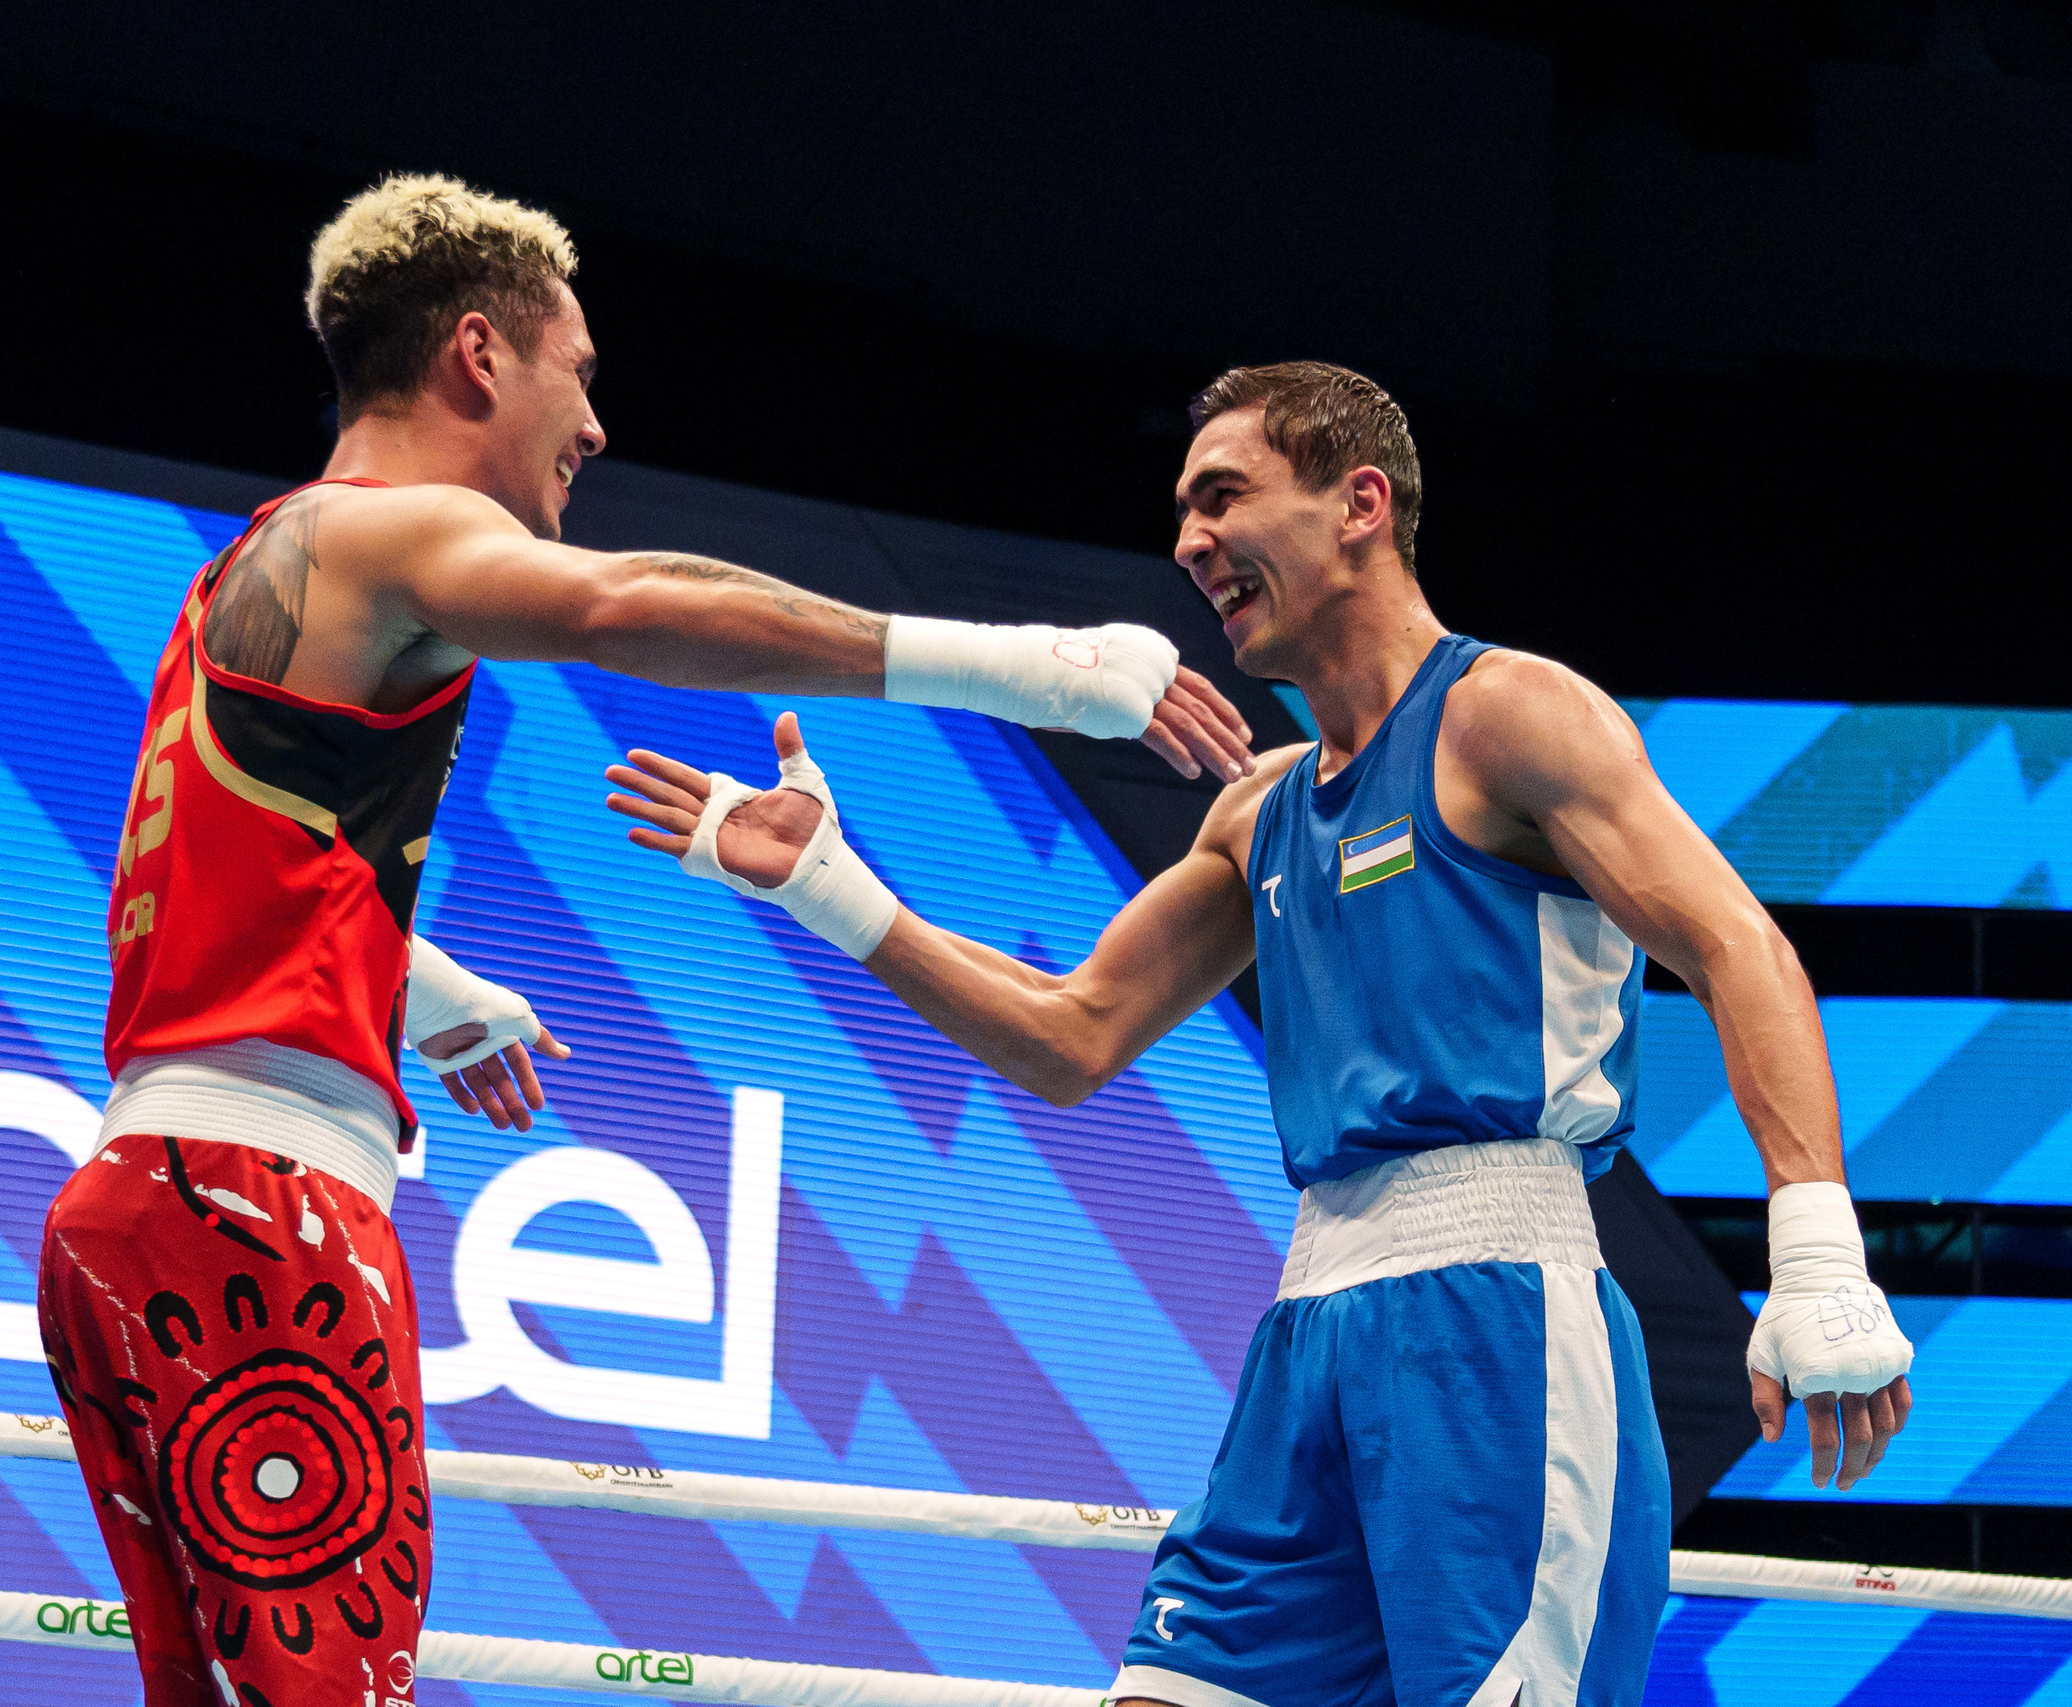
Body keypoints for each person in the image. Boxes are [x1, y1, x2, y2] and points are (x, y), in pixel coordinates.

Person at [34, 172, 1256, 1707]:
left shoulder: (246, 574)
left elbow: (212, 877)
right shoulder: (390, 532)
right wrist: (1029, 670)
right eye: (580, 371)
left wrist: (407, 985)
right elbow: (626, 603)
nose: (597, 428)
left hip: (142, 1202)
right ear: (479, 354)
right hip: (253, 1211)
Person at [604, 360, 1918, 1707]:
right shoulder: (1261, 810)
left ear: (1360, 504)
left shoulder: (1509, 716)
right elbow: (1072, 1034)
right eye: (1182, 510)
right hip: (1310, 1337)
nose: (1188, 541)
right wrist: (834, 889)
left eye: (1222, 496)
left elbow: (1735, 944)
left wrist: (1817, 1255)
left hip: (1501, 1324)